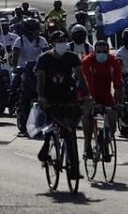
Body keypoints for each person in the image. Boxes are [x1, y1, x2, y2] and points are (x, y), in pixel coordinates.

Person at [36, 31, 92, 173]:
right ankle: (47, 145)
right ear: (52, 43)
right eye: (58, 41)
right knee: (50, 127)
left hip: (69, 96)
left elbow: (80, 76)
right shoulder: (44, 59)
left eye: (64, 40)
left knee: (71, 128)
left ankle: (74, 164)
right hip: (50, 98)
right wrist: (41, 97)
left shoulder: (72, 57)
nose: (62, 43)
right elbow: (41, 79)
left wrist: (86, 95)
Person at [82, 40, 122, 137]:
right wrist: (93, 101)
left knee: (113, 116)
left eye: (104, 52)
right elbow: (88, 82)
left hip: (106, 95)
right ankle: (87, 145)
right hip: (89, 94)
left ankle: (107, 139)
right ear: (94, 52)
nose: (102, 54)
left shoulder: (114, 61)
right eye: (99, 52)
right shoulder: (87, 61)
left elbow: (117, 83)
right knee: (88, 116)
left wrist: (119, 102)